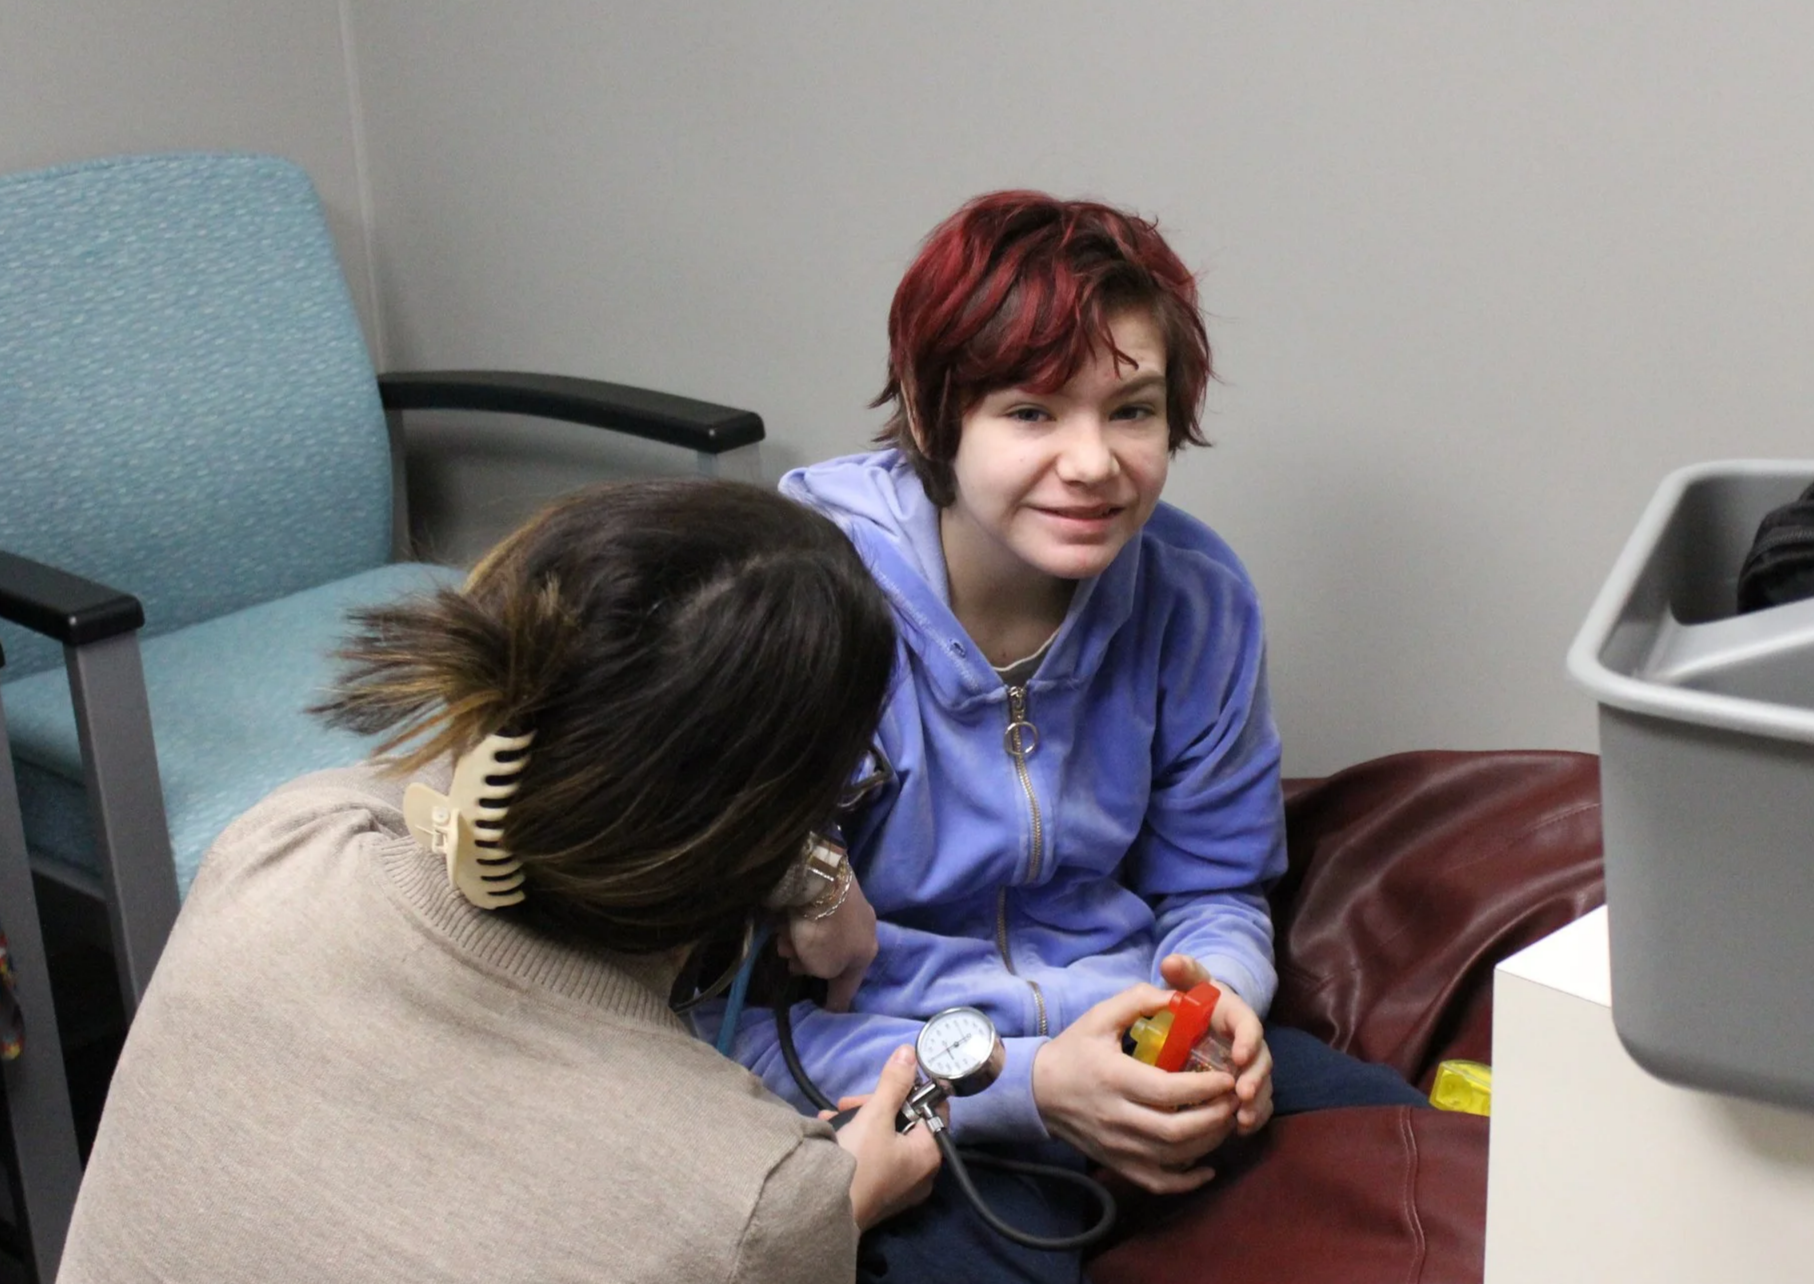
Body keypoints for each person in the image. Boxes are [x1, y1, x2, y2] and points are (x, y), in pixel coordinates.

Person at [721, 192, 1426, 1281]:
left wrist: (1210, 1016)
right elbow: (717, 1021)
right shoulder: (788, 614)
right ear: (928, 409)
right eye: (1031, 412)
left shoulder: (1196, 597)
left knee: (1411, 1165)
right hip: (901, 1085)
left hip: (1131, 1032)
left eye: (1130, 411)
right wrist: (1029, 1084)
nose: (1093, 464)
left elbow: (1218, 889)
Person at [58, 479, 941, 1283]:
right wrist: (844, 1203)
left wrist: (792, 861)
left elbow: (493, 772)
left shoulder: (284, 840)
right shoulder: (759, 1199)